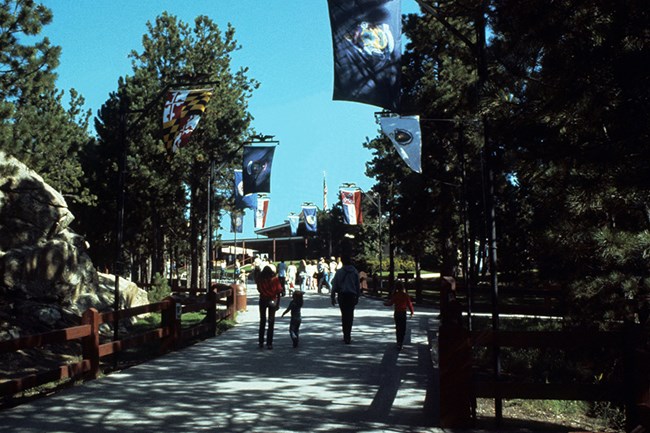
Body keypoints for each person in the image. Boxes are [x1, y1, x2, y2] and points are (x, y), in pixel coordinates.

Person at [330, 255, 360, 344]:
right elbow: (357, 285)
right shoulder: (354, 272)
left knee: (344, 315)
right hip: (351, 295)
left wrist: (332, 297)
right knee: (350, 315)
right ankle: (348, 335)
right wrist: (358, 296)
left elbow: (335, 285)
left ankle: (345, 334)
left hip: (342, 295)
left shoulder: (339, 272)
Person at [256, 266, 283, 349]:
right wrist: (278, 304)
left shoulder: (260, 280)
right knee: (271, 322)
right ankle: (269, 343)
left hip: (263, 300)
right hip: (272, 300)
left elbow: (259, 290)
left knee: (262, 321)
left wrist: (265, 292)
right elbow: (279, 292)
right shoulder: (275, 279)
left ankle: (261, 342)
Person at [384, 281, 414, 350]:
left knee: (398, 328)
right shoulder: (405, 295)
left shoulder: (395, 295)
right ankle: (401, 342)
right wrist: (412, 312)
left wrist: (385, 303)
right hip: (403, 313)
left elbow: (390, 303)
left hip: (397, 313)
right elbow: (409, 304)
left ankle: (398, 342)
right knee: (403, 328)